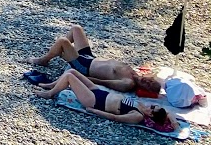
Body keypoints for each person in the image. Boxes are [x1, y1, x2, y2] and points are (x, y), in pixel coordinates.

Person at [31, 23, 163, 96]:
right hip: (90, 57)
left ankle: (45, 59)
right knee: (76, 29)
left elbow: (102, 82)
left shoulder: (128, 83)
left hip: (84, 66)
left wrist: (79, 76)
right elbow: (157, 75)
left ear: (144, 89)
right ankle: (59, 52)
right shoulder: (137, 74)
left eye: (148, 85)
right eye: (151, 81)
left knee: (63, 41)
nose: (148, 81)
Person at [34, 68, 177, 131]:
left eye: (152, 108)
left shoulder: (137, 115)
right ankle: (51, 86)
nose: (151, 106)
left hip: (95, 101)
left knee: (70, 78)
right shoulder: (142, 106)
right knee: (71, 72)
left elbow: (114, 117)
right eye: (153, 106)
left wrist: (93, 111)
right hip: (99, 93)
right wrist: (174, 123)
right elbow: (168, 113)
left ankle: (50, 93)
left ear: (151, 115)